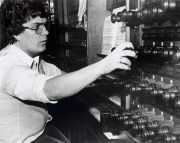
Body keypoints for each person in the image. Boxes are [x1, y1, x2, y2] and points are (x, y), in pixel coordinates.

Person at [0, 0, 136, 143]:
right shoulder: (7, 65)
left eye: (45, 25)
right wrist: (102, 66)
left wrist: (106, 81)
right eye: (37, 27)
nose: (45, 32)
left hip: (43, 129)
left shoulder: (33, 59)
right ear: (15, 32)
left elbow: (61, 76)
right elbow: (48, 89)